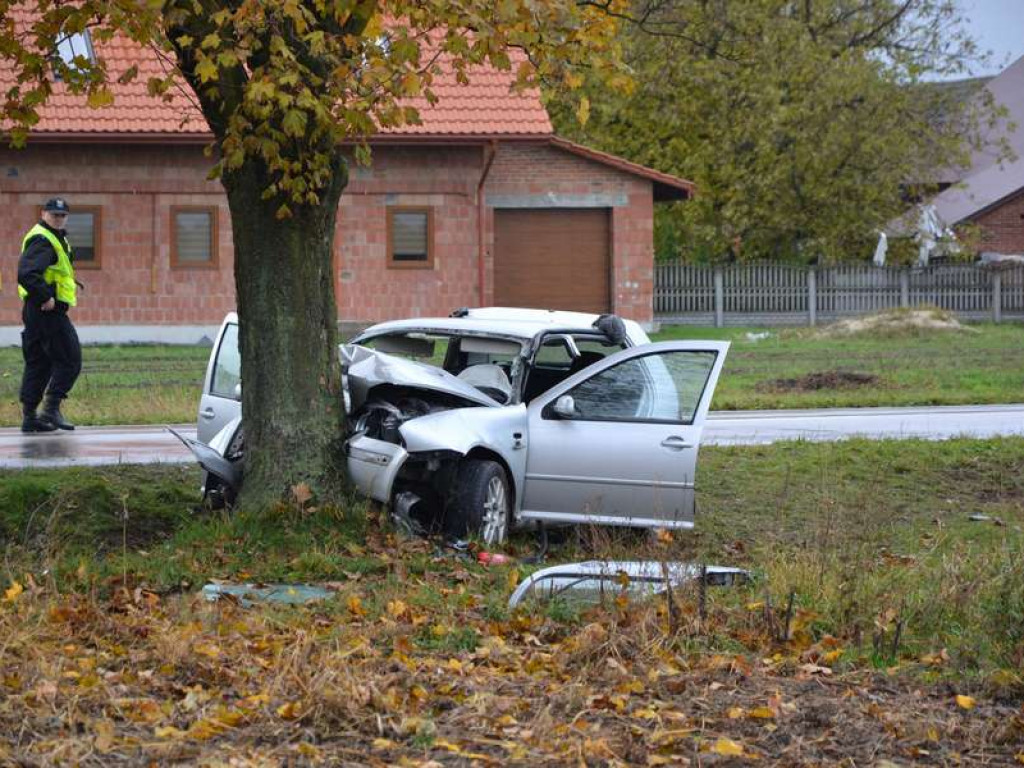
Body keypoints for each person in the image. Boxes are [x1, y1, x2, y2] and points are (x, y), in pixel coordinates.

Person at [17, 197, 82, 432]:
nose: (58, 218)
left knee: (39, 362)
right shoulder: (44, 239)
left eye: (62, 215)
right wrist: (46, 297)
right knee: (70, 359)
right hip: (47, 311)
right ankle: (51, 409)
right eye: (54, 214)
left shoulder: (53, 237)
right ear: (43, 214)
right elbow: (27, 274)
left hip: (35, 310)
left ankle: (30, 417)